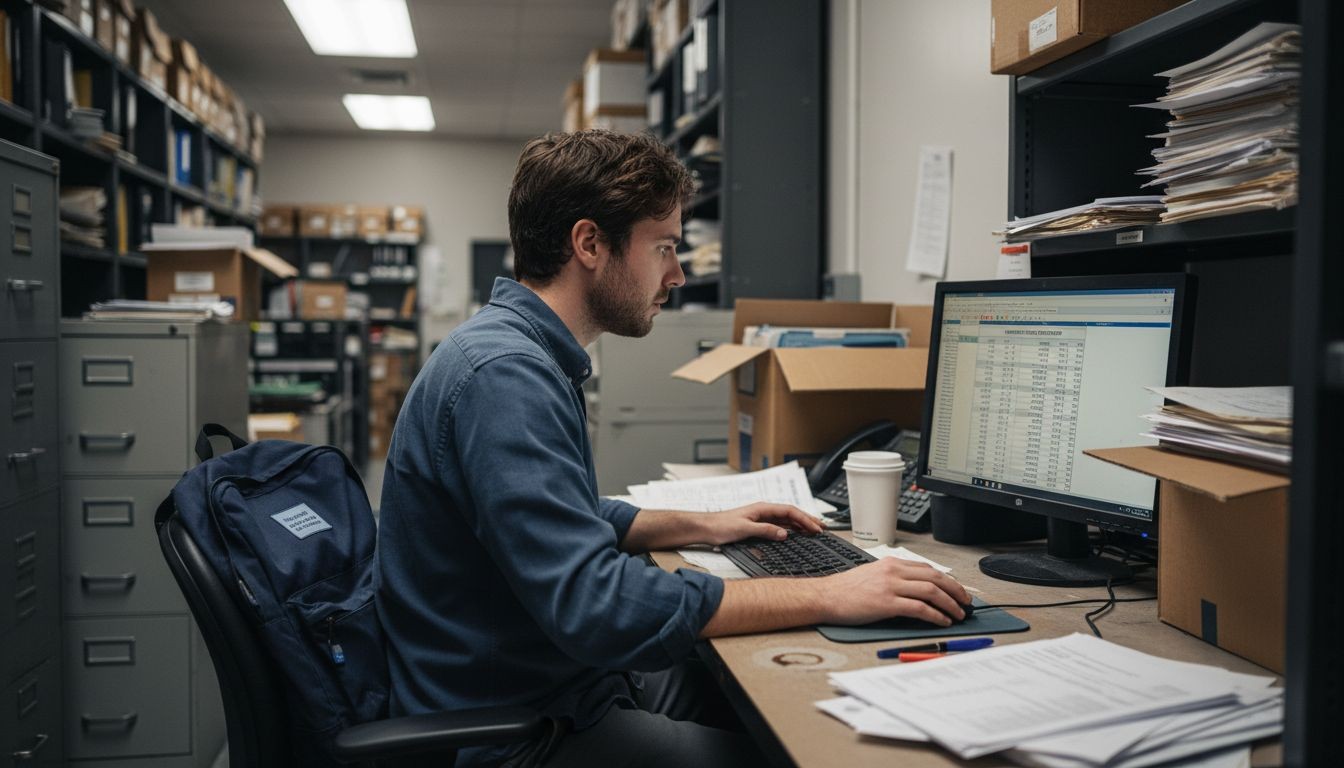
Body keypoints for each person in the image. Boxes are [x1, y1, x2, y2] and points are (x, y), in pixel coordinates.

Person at [375, 130, 970, 767]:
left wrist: (704, 524)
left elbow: (557, 515)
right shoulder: (505, 375)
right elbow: (594, 604)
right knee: (798, 750)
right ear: (590, 244)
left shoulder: (518, 352)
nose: (678, 276)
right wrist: (834, 592)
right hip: (510, 729)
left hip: (550, 678)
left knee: (770, 699)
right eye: (663, 248)